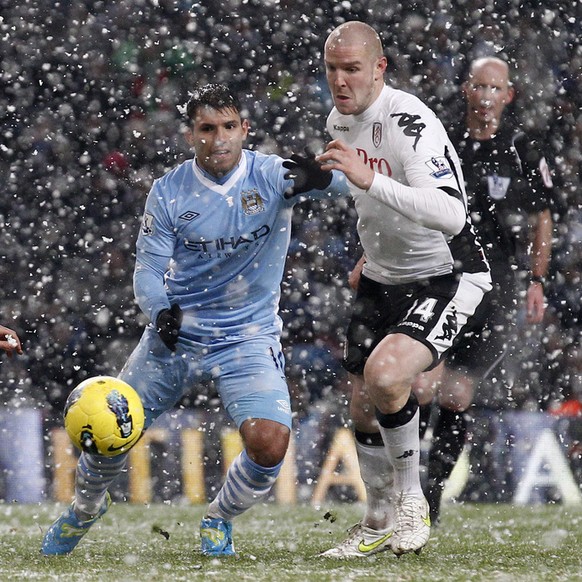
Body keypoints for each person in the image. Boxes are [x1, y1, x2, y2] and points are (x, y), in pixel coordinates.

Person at [41, 83, 350, 557]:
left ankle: (218, 518)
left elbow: (353, 184)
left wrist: (323, 180)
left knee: (270, 443)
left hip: (246, 336)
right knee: (108, 431)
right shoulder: (168, 192)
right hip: (177, 334)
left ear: (245, 130)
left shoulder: (272, 176)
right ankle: (84, 508)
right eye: (207, 128)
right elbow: (147, 269)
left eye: (229, 127)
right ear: (191, 135)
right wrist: (160, 311)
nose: (219, 138)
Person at [316, 22, 491, 558]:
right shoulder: (338, 120)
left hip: (446, 274)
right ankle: (376, 519)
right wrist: (369, 255)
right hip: (384, 275)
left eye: (352, 69)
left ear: (380, 68)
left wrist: (369, 181)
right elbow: (375, 207)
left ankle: (412, 503)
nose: (341, 81)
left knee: (387, 377)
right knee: (363, 406)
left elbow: (449, 211)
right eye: (332, 70)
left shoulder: (409, 120)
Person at [416, 56, 553, 524]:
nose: (488, 96)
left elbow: (542, 220)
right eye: (480, 86)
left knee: (456, 396)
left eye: (497, 88)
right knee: (420, 386)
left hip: (495, 289)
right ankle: (406, 486)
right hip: (441, 279)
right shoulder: (442, 143)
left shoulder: (522, 149)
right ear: (466, 91)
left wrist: (536, 280)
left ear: (508, 95)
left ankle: (429, 496)